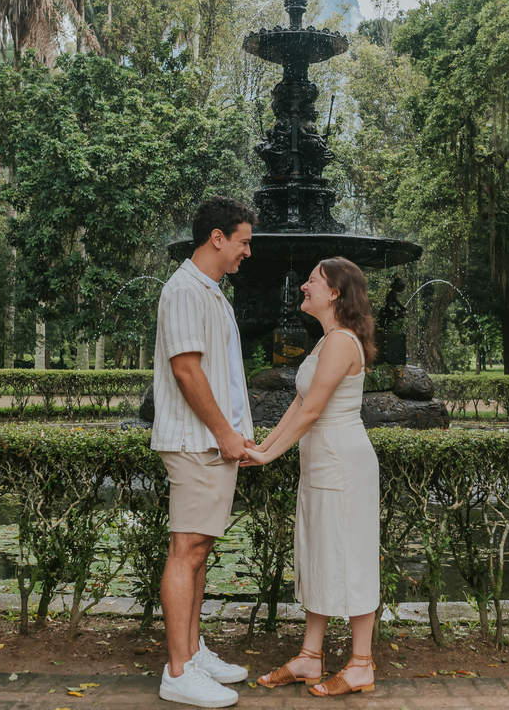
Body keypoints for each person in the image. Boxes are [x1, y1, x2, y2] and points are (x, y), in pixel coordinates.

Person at [245, 257, 380, 698]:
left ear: (335, 293)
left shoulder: (341, 342)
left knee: (352, 557)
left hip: (342, 463)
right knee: (319, 553)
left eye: (313, 281)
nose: (304, 286)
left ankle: (361, 665)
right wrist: (264, 447)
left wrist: (270, 457)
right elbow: (299, 404)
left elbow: (315, 410)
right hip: (322, 462)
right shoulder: (326, 343)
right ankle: (310, 656)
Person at [153, 196, 258, 708]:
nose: (247, 252)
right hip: (197, 442)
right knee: (185, 549)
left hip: (215, 443)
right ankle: (178, 672)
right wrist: (224, 433)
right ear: (217, 237)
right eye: (243, 242)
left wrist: (237, 433)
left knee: (200, 551)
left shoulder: (212, 293)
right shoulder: (184, 292)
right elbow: (186, 371)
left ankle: (192, 654)